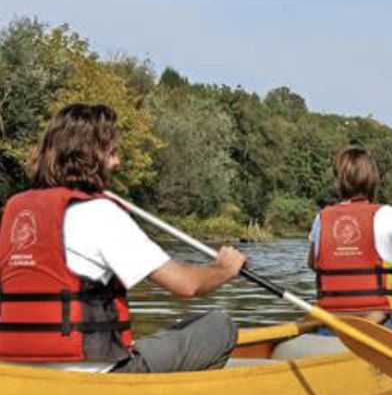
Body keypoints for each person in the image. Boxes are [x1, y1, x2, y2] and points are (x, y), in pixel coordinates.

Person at [0, 103, 247, 373]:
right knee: (219, 327)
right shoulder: (99, 212)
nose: (117, 162)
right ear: (89, 155)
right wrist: (223, 270)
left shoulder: (14, 209)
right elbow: (185, 285)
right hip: (97, 374)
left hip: (16, 371)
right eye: (112, 152)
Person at [308, 146, 392, 337]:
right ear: (373, 180)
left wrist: (345, 257)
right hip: (378, 331)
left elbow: (314, 264)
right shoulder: (387, 215)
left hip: (331, 327)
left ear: (338, 182)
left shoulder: (321, 218)